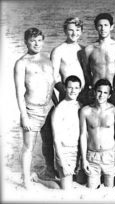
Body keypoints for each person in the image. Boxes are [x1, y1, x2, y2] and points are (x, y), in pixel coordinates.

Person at [14, 27, 55, 189]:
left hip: (49, 107)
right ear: (26, 42)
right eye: (32, 40)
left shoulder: (47, 59)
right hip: (32, 109)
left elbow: (51, 85)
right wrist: (23, 115)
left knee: (48, 141)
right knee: (28, 146)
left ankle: (49, 170)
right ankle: (25, 180)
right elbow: (18, 91)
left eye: (39, 40)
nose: (36, 44)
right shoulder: (22, 63)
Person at [80, 79, 115, 188]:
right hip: (92, 156)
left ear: (109, 95)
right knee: (92, 188)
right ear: (94, 92)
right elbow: (83, 135)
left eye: (105, 92)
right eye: (99, 91)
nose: (102, 95)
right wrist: (84, 160)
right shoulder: (85, 111)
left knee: (109, 188)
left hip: (109, 155)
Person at [83, 13, 115, 108]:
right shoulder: (89, 49)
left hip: (114, 89)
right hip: (96, 91)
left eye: (106, 25)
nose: (103, 28)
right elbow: (86, 72)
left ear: (112, 27)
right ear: (96, 27)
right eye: (100, 25)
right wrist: (91, 87)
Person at [52, 75, 82, 189]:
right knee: (65, 188)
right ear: (64, 88)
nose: (73, 91)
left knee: (83, 181)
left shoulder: (80, 106)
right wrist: (62, 162)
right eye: (70, 87)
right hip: (65, 152)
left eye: (76, 88)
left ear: (80, 89)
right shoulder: (59, 109)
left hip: (78, 151)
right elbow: (56, 140)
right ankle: (38, 179)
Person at [50, 17, 88, 105]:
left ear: (81, 31)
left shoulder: (84, 49)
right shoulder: (58, 50)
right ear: (65, 31)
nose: (75, 33)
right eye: (71, 30)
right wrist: (66, 92)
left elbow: (87, 74)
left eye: (77, 30)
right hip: (67, 94)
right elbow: (53, 77)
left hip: (83, 95)